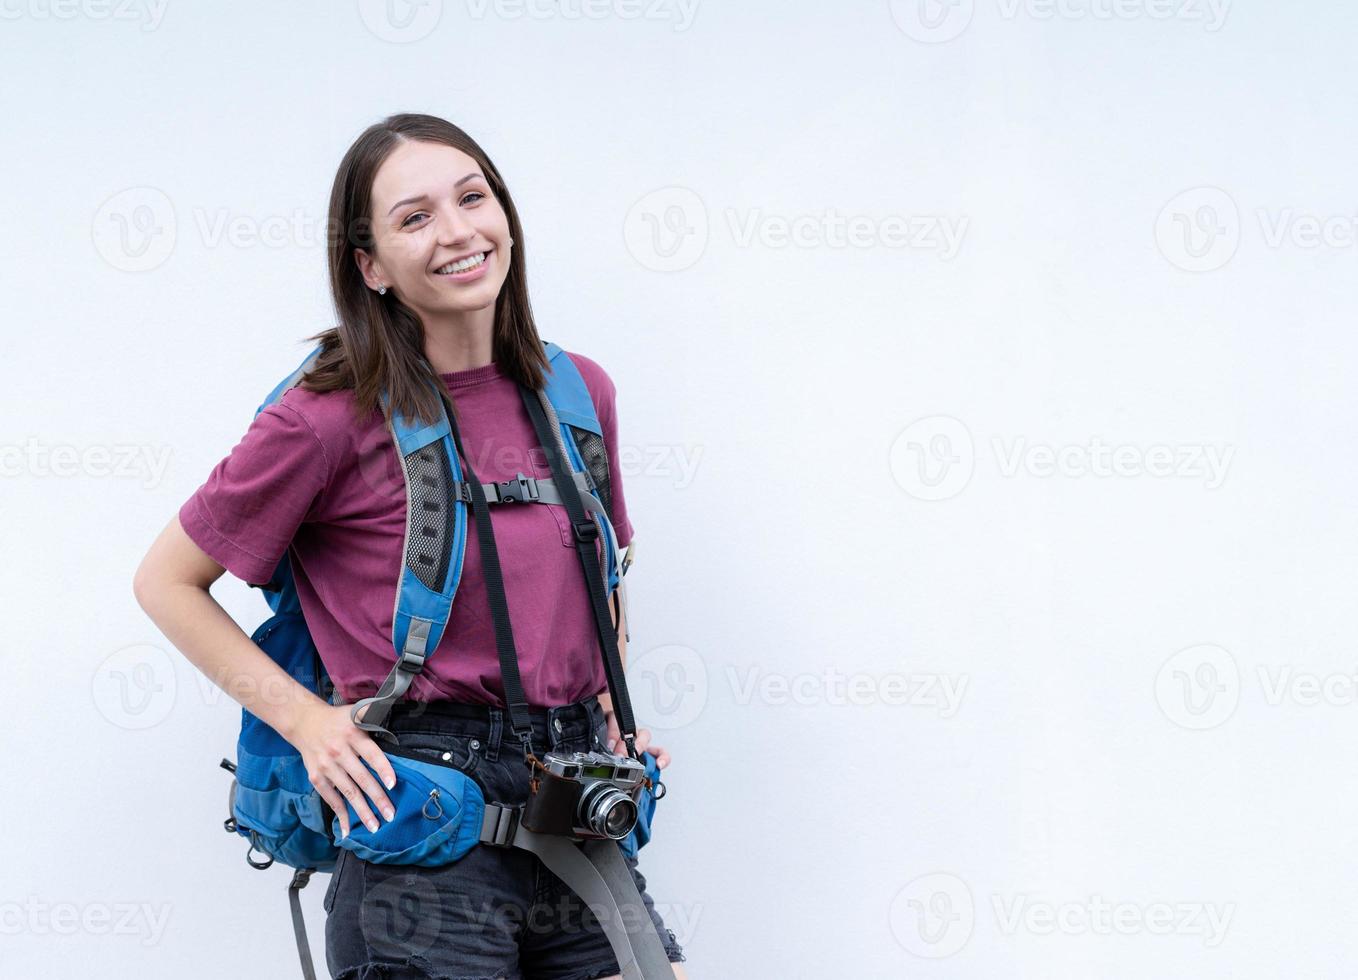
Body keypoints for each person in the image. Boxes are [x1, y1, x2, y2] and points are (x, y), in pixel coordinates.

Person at [133, 112, 689, 980]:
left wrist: (610, 703)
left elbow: (602, 571)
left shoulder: (579, 393)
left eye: (473, 198)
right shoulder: (323, 417)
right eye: (414, 217)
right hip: (420, 831)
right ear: (370, 266)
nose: (458, 231)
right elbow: (167, 582)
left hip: (571, 812)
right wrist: (310, 724)